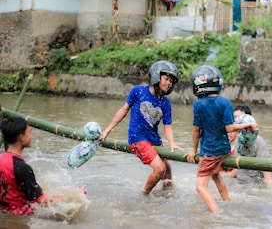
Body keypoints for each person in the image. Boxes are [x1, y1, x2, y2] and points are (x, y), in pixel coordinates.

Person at [99, 60, 181, 195]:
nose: (169, 83)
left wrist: (172, 143)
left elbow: (167, 126)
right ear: (156, 76)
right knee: (160, 169)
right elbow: (123, 111)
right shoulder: (138, 91)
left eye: (171, 81)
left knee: (167, 169)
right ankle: (144, 194)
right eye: (166, 79)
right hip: (137, 138)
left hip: (154, 139)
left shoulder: (166, 103)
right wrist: (107, 131)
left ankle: (168, 195)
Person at [184, 65, 258, 212]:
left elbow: (195, 130)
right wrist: (248, 124)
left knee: (200, 187)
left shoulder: (198, 104)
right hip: (223, 149)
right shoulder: (225, 102)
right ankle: (228, 203)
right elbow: (230, 128)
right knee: (216, 176)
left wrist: (193, 150)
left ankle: (217, 214)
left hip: (209, 151)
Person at [0, 117, 87, 215]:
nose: (31, 136)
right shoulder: (22, 168)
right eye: (29, 132)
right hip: (19, 220)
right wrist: (74, 195)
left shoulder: (1, 160)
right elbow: (43, 201)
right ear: (21, 137)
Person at [224, 105, 272, 187]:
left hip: (255, 187)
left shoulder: (258, 140)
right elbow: (237, 169)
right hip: (240, 186)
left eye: (240, 117)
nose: (237, 120)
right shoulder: (238, 140)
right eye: (234, 118)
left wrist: (271, 187)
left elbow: (266, 169)